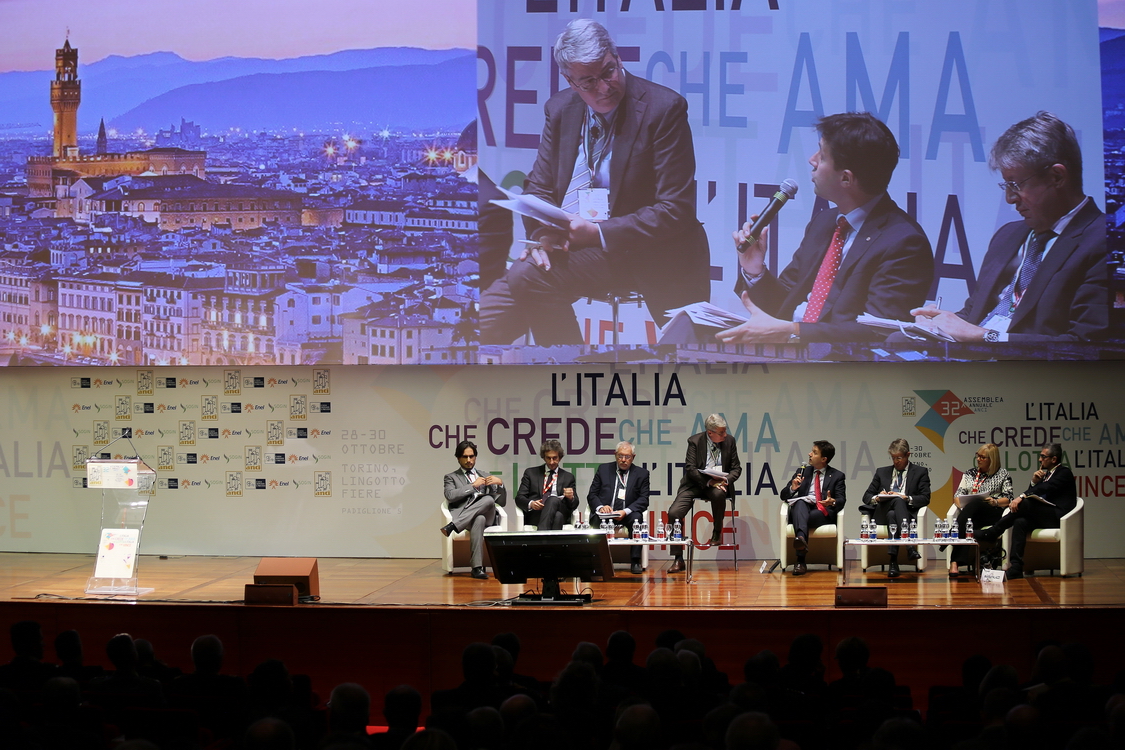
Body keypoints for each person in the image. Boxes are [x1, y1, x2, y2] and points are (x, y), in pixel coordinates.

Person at [480, 18, 709, 345]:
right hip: (574, 245)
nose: (603, 87)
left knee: (528, 276)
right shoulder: (559, 109)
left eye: (607, 72)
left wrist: (599, 232)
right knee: (480, 322)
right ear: (570, 80)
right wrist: (544, 232)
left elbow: (676, 209)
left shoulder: (663, 108)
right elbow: (539, 187)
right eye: (588, 82)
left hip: (647, 249)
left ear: (617, 58)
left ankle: (572, 377)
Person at [719, 112, 933, 344]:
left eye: (821, 156)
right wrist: (754, 270)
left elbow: (877, 335)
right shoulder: (824, 223)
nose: (812, 160)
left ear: (846, 179)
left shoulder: (904, 244)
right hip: (789, 357)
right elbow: (783, 305)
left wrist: (793, 331)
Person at [911, 112, 1108, 343]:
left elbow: (1087, 344)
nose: (1009, 199)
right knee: (899, 340)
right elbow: (974, 317)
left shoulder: (1103, 242)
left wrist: (985, 337)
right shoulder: (1007, 236)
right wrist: (941, 323)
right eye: (1005, 185)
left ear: (1057, 176)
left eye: (1015, 185)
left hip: (1029, 374)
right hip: (975, 363)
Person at [976, 443, 1077, 580]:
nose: (1040, 460)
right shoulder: (1046, 475)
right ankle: (1016, 568)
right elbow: (1037, 492)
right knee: (1020, 521)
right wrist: (1034, 482)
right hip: (1045, 515)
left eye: (1043, 456)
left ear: (1054, 459)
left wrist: (1021, 496)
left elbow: (1044, 489)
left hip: (1059, 516)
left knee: (1027, 503)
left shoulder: (1064, 472)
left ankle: (993, 531)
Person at [667, 414, 742, 574]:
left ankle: (717, 531)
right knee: (674, 513)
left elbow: (736, 468)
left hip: (719, 484)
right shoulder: (694, 441)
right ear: (710, 433)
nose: (725, 435)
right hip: (696, 483)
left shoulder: (730, 441)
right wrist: (709, 482)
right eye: (721, 433)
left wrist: (725, 480)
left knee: (719, 494)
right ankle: (678, 558)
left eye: (725, 431)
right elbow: (691, 469)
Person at [859, 438, 931, 578]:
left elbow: (925, 498)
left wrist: (906, 498)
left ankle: (893, 562)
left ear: (908, 455)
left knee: (894, 512)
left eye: (899, 458)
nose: (896, 461)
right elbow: (866, 496)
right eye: (893, 458)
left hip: (904, 514)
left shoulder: (920, 472)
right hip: (881, 513)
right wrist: (878, 497)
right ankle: (909, 545)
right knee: (895, 503)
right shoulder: (882, 472)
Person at [441, 440, 507, 580]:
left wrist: (500, 484)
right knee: (479, 519)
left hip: (486, 516)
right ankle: (477, 568)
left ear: (476, 457)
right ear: (458, 458)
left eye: (472, 456)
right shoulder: (451, 477)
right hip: (469, 519)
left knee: (489, 500)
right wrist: (473, 485)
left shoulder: (485, 475)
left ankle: (453, 525)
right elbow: (450, 496)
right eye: (465, 457)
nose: (469, 460)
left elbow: (502, 502)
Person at [948, 442, 1013, 577]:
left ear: (992, 460)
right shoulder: (969, 474)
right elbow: (957, 496)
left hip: (993, 512)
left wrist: (995, 501)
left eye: (983, 457)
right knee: (969, 521)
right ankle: (955, 562)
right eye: (978, 456)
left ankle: (951, 536)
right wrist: (963, 505)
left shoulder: (1002, 474)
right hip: (972, 514)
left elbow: (1008, 498)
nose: (978, 459)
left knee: (976, 503)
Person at [781, 441, 845, 576]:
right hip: (802, 509)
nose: (809, 454)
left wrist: (832, 502)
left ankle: (800, 560)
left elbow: (841, 499)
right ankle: (800, 542)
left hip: (821, 512)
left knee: (802, 517)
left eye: (814, 452)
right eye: (811, 451)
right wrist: (792, 488)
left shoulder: (837, 476)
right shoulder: (802, 471)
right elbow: (783, 495)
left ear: (824, 459)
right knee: (800, 503)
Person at [588, 441, 649, 574]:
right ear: (615, 455)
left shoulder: (642, 473)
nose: (623, 460)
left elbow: (644, 500)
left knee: (637, 518)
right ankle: (596, 561)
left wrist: (625, 511)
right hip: (606, 513)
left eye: (627, 457)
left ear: (633, 457)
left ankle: (635, 560)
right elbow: (592, 494)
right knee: (597, 519)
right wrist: (600, 507)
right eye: (620, 456)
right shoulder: (603, 469)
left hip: (626, 513)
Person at [515, 439, 577, 530]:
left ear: (560, 457)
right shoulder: (531, 473)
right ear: (544, 457)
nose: (551, 462)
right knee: (557, 517)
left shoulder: (568, 477)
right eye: (548, 458)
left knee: (552, 499)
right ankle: (549, 543)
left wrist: (571, 497)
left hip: (561, 509)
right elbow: (519, 498)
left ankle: (541, 535)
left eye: (555, 458)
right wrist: (531, 504)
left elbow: (575, 504)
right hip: (537, 514)